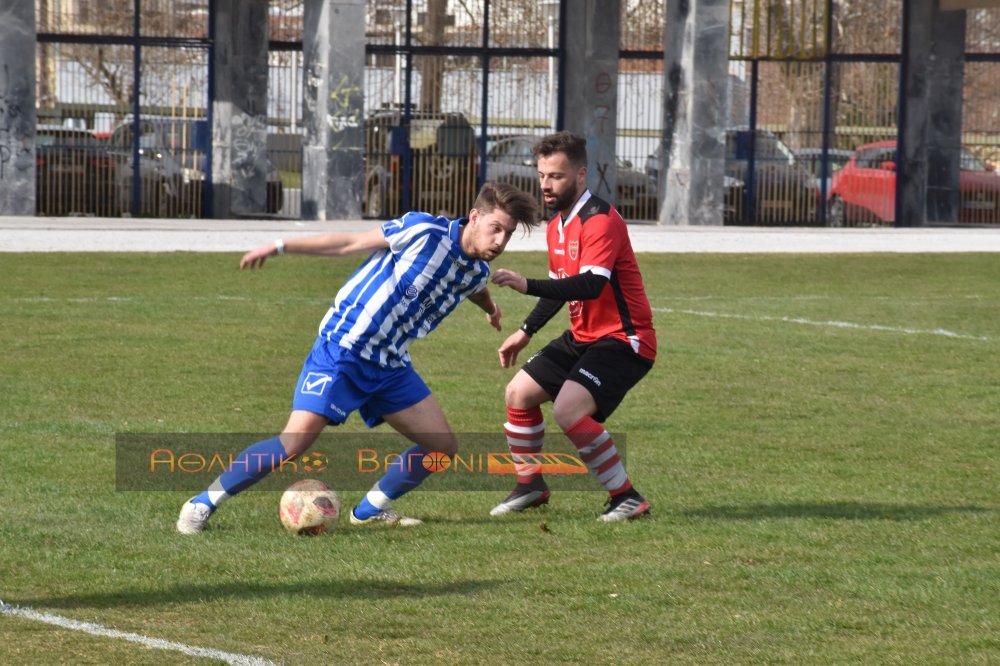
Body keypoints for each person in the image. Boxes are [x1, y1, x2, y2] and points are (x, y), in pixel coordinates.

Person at [177, 181, 539, 534]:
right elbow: (349, 243)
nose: (500, 241)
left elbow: (474, 286)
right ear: (474, 217)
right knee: (295, 442)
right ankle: (201, 503)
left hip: (390, 363)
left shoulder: (476, 268)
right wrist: (280, 245)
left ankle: (368, 511)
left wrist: (490, 308)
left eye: (507, 235)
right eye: (496, 229)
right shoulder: (423, 230)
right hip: (344, 350)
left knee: (442, 447)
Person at [489, 131, 656, 522]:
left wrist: (525, 284)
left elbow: (591, 284)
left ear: (581, 175)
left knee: (568, 410)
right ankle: (531, 486)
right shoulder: (557, 226)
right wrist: (526, 331)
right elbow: (561, 288)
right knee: (518, 393)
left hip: (624, 340)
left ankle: (627, 497)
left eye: (556, 176)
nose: (546, 185)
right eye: (542, 175)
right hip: (584, 337)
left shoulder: (600, 221)